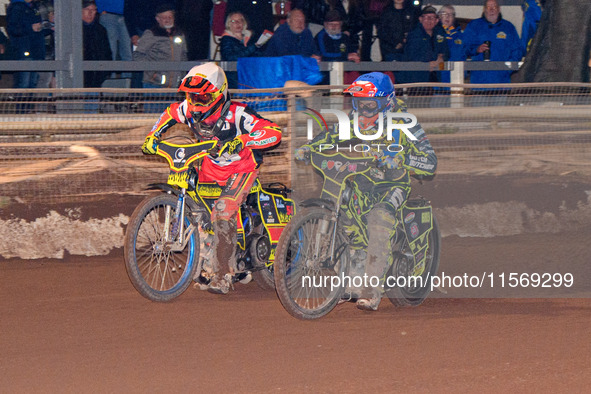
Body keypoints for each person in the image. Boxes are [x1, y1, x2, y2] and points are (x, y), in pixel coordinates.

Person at [294, 72, 437, 311]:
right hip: (357, 181)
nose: (365, 109)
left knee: (379, 218)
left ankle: (372, 289)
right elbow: (328, 137)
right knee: (343, 216)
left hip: (392, 186)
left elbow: (430, 162)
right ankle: (348, 281)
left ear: (386, 102)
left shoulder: (404, 122)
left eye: (371, 104)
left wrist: (401, 157)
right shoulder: (351, 120)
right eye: (360, 103)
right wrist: (309, 148)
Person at [141, 63, 282, 294]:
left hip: (241, 169)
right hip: (210, 168)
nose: (196, 104)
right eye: (192, 96)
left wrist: (243, 141)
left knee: (223, 210)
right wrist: (152, 135)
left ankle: (223, 275)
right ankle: (208, 261)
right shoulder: (187, 109)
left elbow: (274, 132)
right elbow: (168, 113)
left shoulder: (237, 113)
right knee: (199, 212)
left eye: (203, 98)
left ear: (219, 94)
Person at [463, 0, 523, 84]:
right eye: (488, 7)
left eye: (494, 7)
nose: (491, 9)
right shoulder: (474, 26)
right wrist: (476, 49)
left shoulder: (508, 27)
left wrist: (507, 69)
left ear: (499, 9)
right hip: (479, 82)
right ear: (484, 9)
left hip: (501, 82)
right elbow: (464, 47)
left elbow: (517, 51)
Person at [133, 3, 187, 88]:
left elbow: (183, 55)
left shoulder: (179, 34)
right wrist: (153, 73)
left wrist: (182, 75)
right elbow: (138, 56)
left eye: (170, 17)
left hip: (175, 85)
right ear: (157, 19)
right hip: (154, 84)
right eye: (164, 17)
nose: (168, 20)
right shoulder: (151, 34)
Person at [403, 5, 449, 85]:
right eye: (426, 17)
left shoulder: (440, 34)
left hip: (436, 78)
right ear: (420, 19)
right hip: (418, 79)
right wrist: (429, 63)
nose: (429, 20)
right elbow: (412, 55)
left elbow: (447, 52)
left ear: (437, 20)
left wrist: (441, 57)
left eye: (432, 17)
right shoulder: (414, 35)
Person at [6, 0, 45, 90]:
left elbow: (38, 30)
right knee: (24, 83)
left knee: (32, 83)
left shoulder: (33, 7)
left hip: (35, 50)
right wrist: (30, 28)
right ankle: (22, 103)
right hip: (23, 49)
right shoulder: (17, 7)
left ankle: (28, 104)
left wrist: (47, 27)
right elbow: (13, 29)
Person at [314, 9, 360, 84]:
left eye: (337, 24)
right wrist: (346, 56)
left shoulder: (344, 37)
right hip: (324, 75)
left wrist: (354, 54)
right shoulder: (320, 36)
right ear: (325, 24)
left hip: (343, 74)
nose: (334, 27)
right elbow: (325, 54)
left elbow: (350, 50)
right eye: (331, 24)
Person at [220, 11, 263, 89]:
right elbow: (230, 58)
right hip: (234, 77)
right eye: (234, 21)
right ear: (229, 24)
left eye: (240, 20)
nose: (238, 23)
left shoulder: (249, 37)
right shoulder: (226, 40)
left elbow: (256, 54)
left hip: (249, 73)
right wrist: (253, 47)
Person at [82, 0, 112, 88]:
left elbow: (107, 52)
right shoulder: (73, 30)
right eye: (88, 9)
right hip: (79, 76)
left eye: (94, 10)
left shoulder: (101, 30)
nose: (91, 13)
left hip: (97, 77)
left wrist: (106, 71)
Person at [95, 0, 132, 65]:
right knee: (110, 49)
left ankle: (127, 75)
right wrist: (100, 9)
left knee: (127, 49)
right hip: (108, 14)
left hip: (126, 15)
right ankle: (110, 74)